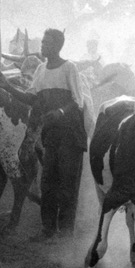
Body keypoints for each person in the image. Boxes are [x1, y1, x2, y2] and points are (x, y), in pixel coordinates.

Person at [19, 28, 92, 241]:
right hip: (51, 135)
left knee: (68, 183)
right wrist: (5, 87)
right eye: (42, 42)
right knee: (48, 182)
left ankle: (66, 231)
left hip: (70, 134)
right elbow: (31, 98)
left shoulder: (69, 68)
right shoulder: (40, 70)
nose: (42, 46)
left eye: (46, 43)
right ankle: (48, 228)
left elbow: (78, 101)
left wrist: (60, 112)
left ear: (58, 46)